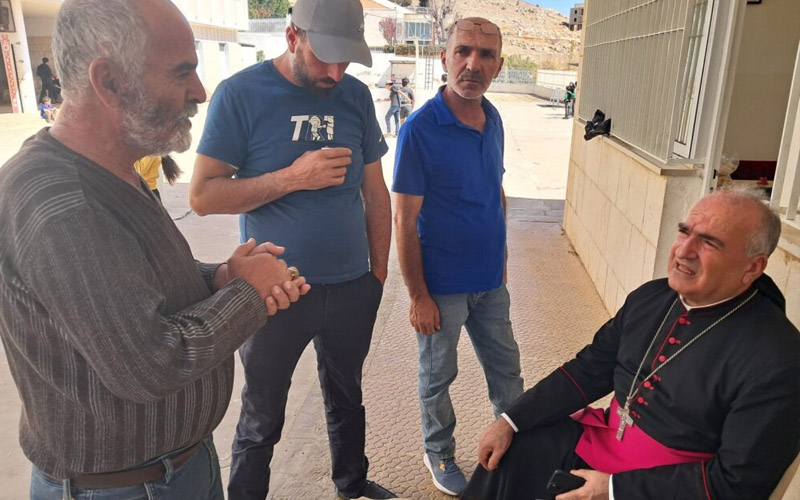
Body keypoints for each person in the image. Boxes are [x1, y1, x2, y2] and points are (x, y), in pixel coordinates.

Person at [0, 1, 310, 499]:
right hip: (126, 488)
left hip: (171, 470)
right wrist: (248, 294)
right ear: (110, 81)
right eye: (181, 72)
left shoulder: (111, 169)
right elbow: (150, 364)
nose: (200, 91)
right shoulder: (65, 203)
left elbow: (134, 282)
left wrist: (219, 279)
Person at [462, 190, 800, 500]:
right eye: (684, 232)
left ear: (752, 267)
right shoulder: (651, 298)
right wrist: (510, 420)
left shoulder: (779, 359)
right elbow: (589, 369)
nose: (684, 251)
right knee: (513, 447)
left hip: (670, 486)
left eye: (709, 242)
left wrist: (613, 490)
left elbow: (738, 484)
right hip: (605, 443)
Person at [189, 0, 395, 498]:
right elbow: (202, 196)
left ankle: (352, 482)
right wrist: (290, 178)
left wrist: (377, 276)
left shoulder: (356, 97)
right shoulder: (241, 94)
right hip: (274, 292)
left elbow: (375, 193)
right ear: (291, 37)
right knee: (262, 415)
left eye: (346, 60)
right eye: (325, 57)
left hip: (352, 286)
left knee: (347, 397)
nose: (335, 72)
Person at [392, 17, 524, 497]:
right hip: (441, 286)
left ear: (499, 66)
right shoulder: (419, 130)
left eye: (485, 55)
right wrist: (418, 296)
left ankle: (515, 445)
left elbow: (495, 191)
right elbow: (404, 220)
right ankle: (439, 451)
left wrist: (502, 256)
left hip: (490, 281)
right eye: (463, 51)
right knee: (437, 376)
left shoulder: (494, 119)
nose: (473, 64)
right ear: (444, 57)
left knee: (507, 371)